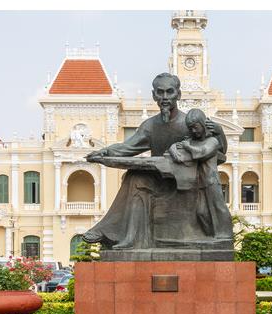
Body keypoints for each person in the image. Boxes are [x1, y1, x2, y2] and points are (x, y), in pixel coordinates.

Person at [83, 73, 228, 250]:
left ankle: (114, 232)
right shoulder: (150, 126)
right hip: (159, 179)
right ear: (154, 96)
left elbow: (218, 153)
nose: (165, 97)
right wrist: (104, 152)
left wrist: (219, 133)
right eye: (160, 93)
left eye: (169, 92)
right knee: (135, 177)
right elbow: (128, 147)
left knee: (136, 177)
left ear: (178, 94)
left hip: (186, 183)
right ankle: (130, 238)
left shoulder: (189, 123)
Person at [168, 108, 233, 240]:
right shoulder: (193, 141)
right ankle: (211, 236)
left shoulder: (212, 141)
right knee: (201, 212)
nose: (193, 131)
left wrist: (187, 147)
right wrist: (173, 148)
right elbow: (177, 145)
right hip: (198, 182)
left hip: (211, 181)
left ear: (203, 125)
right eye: (190, 128)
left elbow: (201, 153)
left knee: (219, 208)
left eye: (195, 127)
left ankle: (225, 236)